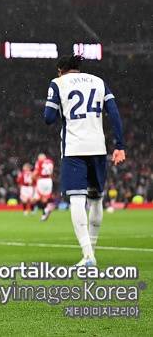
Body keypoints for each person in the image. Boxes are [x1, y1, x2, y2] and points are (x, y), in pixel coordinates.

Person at [44, 55, 125, 266]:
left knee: (77, 200)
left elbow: (48, 118)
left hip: (74, 149)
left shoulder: (58, 83)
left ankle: (88, 255)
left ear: (60, 70)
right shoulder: (98, 81)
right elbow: (114, 113)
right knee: (96, 199)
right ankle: (91, 252)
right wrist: (120, 145)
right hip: (98, 148)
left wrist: (61, 108)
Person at [32, 153, 55, 221]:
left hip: (41, 180)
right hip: (49, 180)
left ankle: (45, 210)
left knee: (40, 198)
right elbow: (51, 173)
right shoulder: (50, 162)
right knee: (46, 198)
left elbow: (35, 173)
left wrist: (33, 177)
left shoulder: (39, 162)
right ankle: (45, 213)